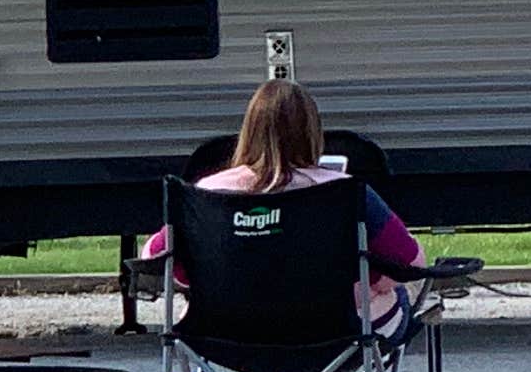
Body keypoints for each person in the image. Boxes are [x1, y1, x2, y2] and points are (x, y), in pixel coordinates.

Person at [146, 79, 424, 323]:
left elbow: (153, 257)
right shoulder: (346, 192)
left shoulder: (205, 194)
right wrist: (374, 282)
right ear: (313, 132)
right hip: (333, 331)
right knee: (398, 296)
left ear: (248, 131)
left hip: (224, 333)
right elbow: (409, 263)